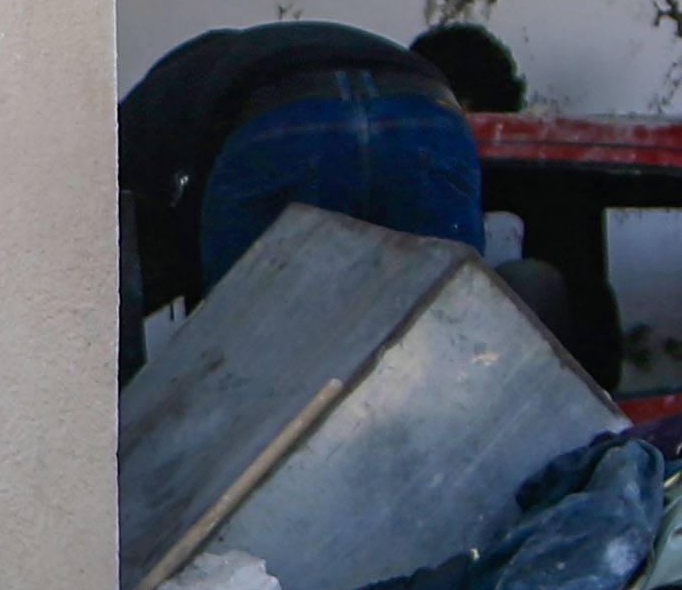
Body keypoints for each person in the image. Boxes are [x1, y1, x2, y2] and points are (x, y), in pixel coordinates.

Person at [119, 20, 489, 376]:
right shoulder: (210, 70)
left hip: (288, 120)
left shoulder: (131, 134)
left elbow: (122, 255)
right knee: (446, 333)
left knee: (250, 358)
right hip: (426, 115)